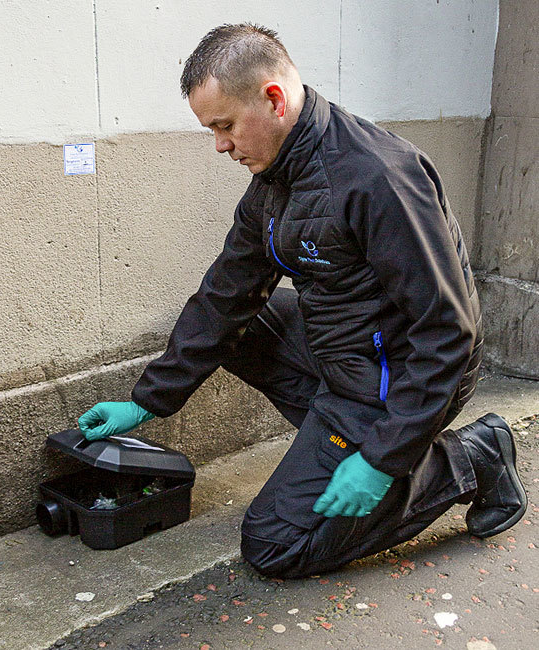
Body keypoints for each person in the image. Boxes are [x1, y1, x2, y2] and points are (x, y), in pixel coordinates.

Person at [78, 24, 527, 578]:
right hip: (343, 351)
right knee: (238, 320)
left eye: (225, 126)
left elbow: (448, 332)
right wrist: (148, 400)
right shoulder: (275, 176)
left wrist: (381, 459)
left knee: (274, 546)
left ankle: (468, 460)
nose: (220, 145)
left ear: (273, 99)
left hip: (400, 376)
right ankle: (335, 436)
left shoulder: (377, 176)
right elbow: (227, 291)